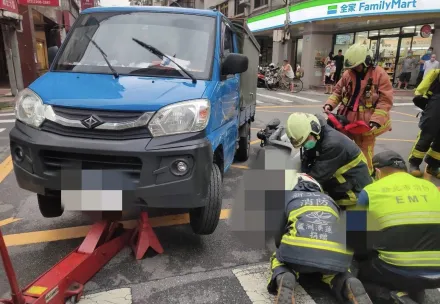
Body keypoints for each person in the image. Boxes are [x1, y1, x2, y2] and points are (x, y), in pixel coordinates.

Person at [268, 172, 373, 304]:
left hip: (299, 250)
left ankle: (284, 275)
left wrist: (284, 249)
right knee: (335, 272)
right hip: (336, 252)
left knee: (278, 258)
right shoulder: (329, 200)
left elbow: (278, 234)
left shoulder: (288, 197)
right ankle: (347, 281)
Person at [354, 150, 440, 303]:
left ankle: (393, 296)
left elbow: (355, 238)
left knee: (357, 268)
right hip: (437, 274)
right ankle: (415, 289)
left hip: (396, 270)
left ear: (378, 172)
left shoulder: (370, 191)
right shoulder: (431, 187)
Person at [323, 43, 393, 174]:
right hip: (347, 121)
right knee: (342, 147)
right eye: (352, 67)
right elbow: (338, 91)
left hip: (366, 125)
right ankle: (345, 173)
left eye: (357, 66)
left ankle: (366, 178)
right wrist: (329, 104)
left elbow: (385, 100)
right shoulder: (348, 74)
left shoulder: (380, 75)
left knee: (365, 152)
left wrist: (376, 120)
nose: (354, 69)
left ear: (367, 61)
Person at [285, 112, 372, 207]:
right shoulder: (318, 135)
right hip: (340, 185)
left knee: (346, 220)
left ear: (315, 129)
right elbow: (307, 161)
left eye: (306, 140)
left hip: (353, 195)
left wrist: (292, 187)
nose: (305, 145)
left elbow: (317, 177)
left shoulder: (333, 145)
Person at [407, 68, 440, 178]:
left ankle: (433, 165)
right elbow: (420, 91)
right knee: (427, 135)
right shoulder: (436, 73)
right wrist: (420, 98)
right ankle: (414, 164)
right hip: (436, 105)